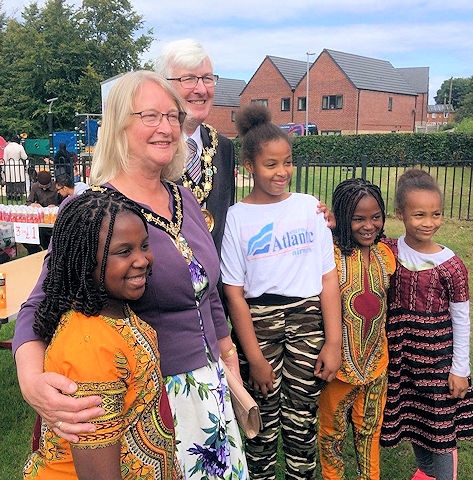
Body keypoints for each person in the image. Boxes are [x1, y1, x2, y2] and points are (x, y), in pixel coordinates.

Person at [13, 70, 248, 480]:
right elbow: (41, 302)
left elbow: (207, 294)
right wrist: (31, 379)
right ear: (120, 124)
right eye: (151, 116)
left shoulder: (186, 198)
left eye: (173, 116)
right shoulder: (92, 210)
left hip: (210, 392)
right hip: (149, 399)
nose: (167, 128)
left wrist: (229, 363)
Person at [23, 189, 183, 480]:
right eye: (124, 251)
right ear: (84, 259)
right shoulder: (90, 347)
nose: (142, 259)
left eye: (144, 245)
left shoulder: (114, 310)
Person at [220, 104, 342, 480]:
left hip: (308, 321)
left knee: (302, 415)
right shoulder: (236, 217)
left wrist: (334, 342)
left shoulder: (310, 209)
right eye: (271, 164)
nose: (282, 172)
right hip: (259, 324)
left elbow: (328, 278)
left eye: (287, 162)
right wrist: (253, 357)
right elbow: (234, 293)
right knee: (260, 416)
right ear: (249, 167)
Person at [380, 169, 473, 480]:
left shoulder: (452, 266)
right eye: (419, 214)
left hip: (437, 364)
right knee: (413, 420)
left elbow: (461, 318)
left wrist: (460, 368)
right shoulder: (388, 251)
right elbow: (354, 233)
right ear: (400, 214)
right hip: (402, 359)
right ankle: (426, 472)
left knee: (440, 429)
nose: (428, 222)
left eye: (436, 214)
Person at [317, 178, 396, 479]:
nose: (369, 225)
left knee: (369, 431)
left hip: (377, 364)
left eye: (375, 217)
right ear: (342, 218)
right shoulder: (331, 255)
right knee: (331, 435)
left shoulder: (386, 256)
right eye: (358, 218)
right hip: (338, 368)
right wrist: (329, 222)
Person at [155, 38, 235, 255]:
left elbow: (232, 221)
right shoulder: (151, 146)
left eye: (207, 78)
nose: (201, 89)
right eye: (189, 79)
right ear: (164, 86)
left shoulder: (224, 147)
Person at [24, 170, 62, 253]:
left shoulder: (56, 187)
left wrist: (56, 206)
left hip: (54, 217)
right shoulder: (35, 187)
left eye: (46, 186)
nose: (44, 188)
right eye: (42, 186)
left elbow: (64, 202)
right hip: (40, 217)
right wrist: (33, 205)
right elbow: (28, 202)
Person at [3, 134, 28, 201]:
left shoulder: (7, 147)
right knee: (18, 180)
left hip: (9, 164)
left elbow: (4, 158)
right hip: (18, 163)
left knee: (9, 180)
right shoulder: (20, 147)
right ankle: (18, 194)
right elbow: (24, 157)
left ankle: (9, 194)